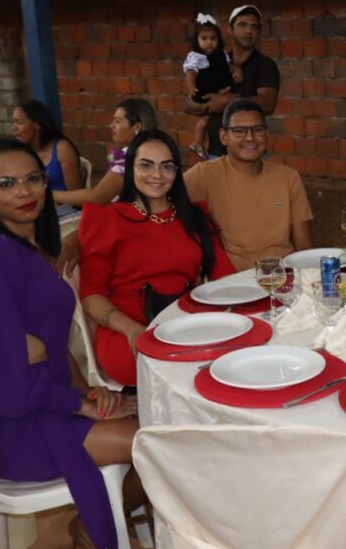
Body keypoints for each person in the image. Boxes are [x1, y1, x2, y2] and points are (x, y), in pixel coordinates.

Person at [0, 138, 144, 549]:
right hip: (21, 429)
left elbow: (53, 347)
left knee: (163, 423)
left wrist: (90, 392)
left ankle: (92, 524)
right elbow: (5, 378)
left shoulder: (31, 250)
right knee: (159, 443)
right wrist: (78, 405)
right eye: (6, 183)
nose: (24, 191)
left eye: (32, 178)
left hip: (51, 406)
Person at [79, 130, 235, 386]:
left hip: (185, 325)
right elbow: (90, 295)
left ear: (176, 171)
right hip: (128, 330)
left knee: (230, 356)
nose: (157, 175)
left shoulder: (194, 217)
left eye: (166, 166)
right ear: (131, 168)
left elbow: (225, 278)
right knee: (189, 370)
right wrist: (132, 329)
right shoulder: (107, 219)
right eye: (146, 165)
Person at [184, 99, 312, 272]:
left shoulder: (288, 177)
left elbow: (304, 247)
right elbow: (163, 203)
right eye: (239, 131)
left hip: (282, 276)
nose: (250, 137)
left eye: (257, 130)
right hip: (233, 279)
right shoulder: (205, 175)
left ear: (267, 134)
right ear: (223, 136)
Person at [186, 5, 279, 159]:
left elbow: (267, 104)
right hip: (215, 153)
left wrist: (229, 101)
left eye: (254, 27)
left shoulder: (265, 65)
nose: (249, 31)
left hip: (251, 153)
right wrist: (209, 104)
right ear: (230, 30)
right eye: (242, 25)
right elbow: (189, 105)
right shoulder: (213, 61)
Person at [54, 98, 157, 208]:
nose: (111, 125)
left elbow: (97, 197)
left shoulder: (130, 158)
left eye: (117, 121)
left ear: (136, 127)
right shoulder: (155, 148)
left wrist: (53, 195)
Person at [183, 13, 243, 159]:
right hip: (205, 92)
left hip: (221, 90)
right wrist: (191, 87)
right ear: (197, 40)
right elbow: (191, 73)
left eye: (213, 38)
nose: (209, 42)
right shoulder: (196, 56)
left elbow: (228, 66)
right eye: (204, 39)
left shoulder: (221, 54)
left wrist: (237, 69)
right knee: (206, 118)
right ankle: (197, 142)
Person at [11, 99, 83, 191]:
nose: (14, 128)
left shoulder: (62, 149)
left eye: (19, 122)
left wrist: (48, 196)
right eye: (13, 122)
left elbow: (77, 194)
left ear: (37, 124)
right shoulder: (21, 153)